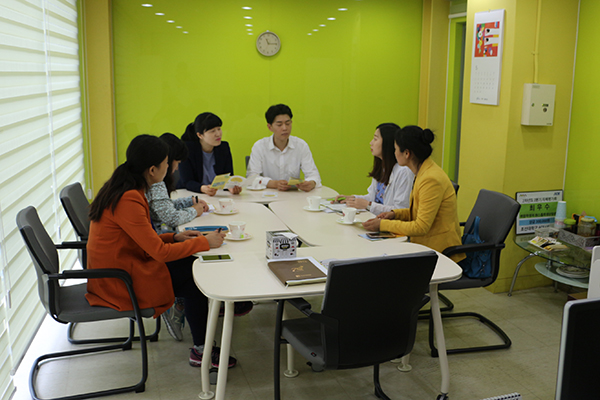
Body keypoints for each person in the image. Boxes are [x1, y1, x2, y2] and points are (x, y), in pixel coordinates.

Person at [86, 134, 235, 368]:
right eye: (167, 163)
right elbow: (160, 253)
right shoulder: (129, 198)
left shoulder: (125, 187)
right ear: (153, 170)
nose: (170, 168)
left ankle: (202, 342)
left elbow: (142, 239)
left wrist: (175, 237)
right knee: (195, 276)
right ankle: (202, 349)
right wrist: (205, 243)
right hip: (120, 281)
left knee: (191, 266)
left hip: (122, 267)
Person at [362, 125, 465, 263]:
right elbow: (418, 211)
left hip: (439, 253)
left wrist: (382, 224)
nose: (394, 153)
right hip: (424, 247)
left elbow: (421, 227)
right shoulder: (423, 172)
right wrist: (395, 214)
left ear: (407, 153)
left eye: (395, 149)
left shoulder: (430, 179)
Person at [332, 123, 413, 214]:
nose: (371, 143)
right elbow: (372, 197)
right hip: (376, 219)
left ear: (387, 143)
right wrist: (353, 199)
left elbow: (400, 210)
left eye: (375, 139)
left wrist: (368, 205)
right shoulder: (382, 167)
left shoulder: (404, 171)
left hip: (388, 222)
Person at [247, 104, 321, 191]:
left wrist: (311, 183)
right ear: (270, 127)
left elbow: (314, 175)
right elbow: (251, 178)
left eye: (288, 123)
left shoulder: (301, 145)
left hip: (293, 196)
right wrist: (274, 184)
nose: (285, 128)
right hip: (266, 196)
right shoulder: (259, 146)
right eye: (279, 125)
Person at [177, 112, 241, 196]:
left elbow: (228, 175)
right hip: (191, 194)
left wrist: (230, 187)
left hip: (217, 195)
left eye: (219, 129)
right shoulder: (188, 150)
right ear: (200, 135)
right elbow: (187, 181)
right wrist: (202, 188)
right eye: (212, 131)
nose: (218, 134)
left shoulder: (223, 147)